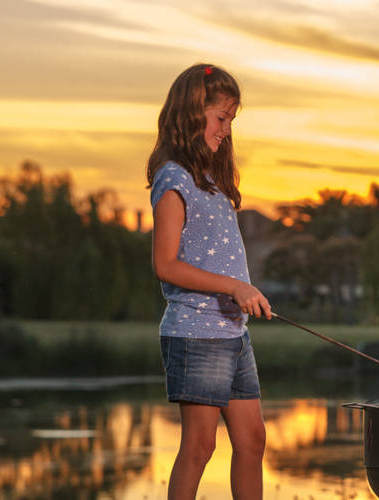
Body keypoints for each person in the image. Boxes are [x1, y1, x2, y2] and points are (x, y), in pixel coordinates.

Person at [147, 63, 272, 500]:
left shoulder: (214, 181)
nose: (225, 130)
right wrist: (234, 286)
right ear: (191, 114)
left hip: (233, 332)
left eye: (230, 121)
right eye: (221, 119)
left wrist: (243, 292)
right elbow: (166, 264)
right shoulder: (174, 178)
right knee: (199, 447)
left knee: (253, 440)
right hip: (196, 332)